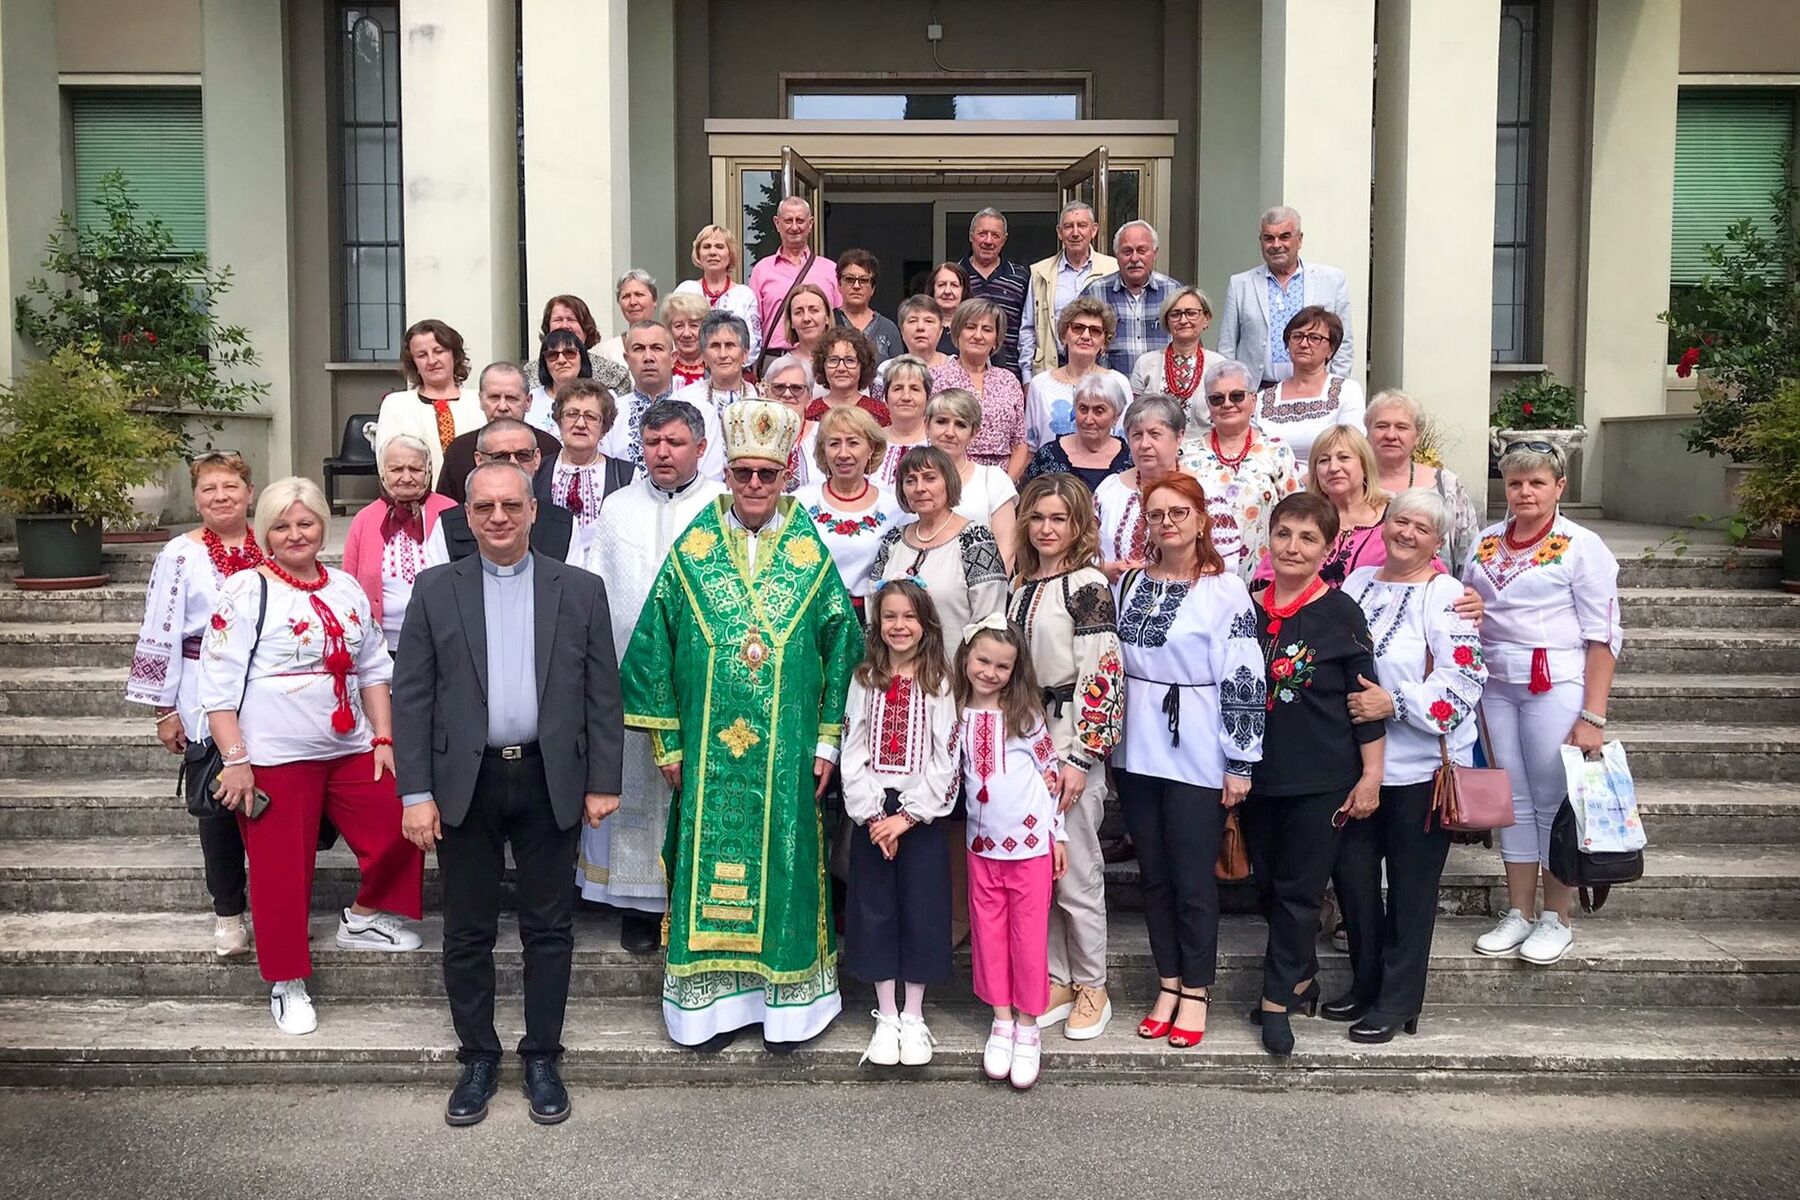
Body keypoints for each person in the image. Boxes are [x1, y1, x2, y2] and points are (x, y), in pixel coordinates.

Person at [620, 399, 862, 1050]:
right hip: (705, 747)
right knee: (708, 862)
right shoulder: (693, 548)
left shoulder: (808, 550)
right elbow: (651, 647)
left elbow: (843, 645)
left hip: (787, 752)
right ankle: (710, 1012)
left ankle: (787, 1011)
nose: (755, 485)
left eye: (768, 474)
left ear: (786, 474)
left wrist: (828, 737)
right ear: (726, 473)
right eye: (744, 473)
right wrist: (666, 739)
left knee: (784, 862)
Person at [394, 460, 624, 1127]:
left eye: (511, 506)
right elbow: (411, 698)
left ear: (533, 511)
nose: (498, 518)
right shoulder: (435, 589)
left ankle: (543, 1056)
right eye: (485, 507)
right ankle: (478, 1058)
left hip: (550, 776)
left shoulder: (579, 589)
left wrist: (604, 780)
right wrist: (416, 793)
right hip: (465, 781)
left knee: (549, 928)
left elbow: (601, 694)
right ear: (466, 516)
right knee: (467, 929)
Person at [199, 476, 424, 1036]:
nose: (295, 534)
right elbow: (218, 686)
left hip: (349, 744)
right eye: (281, 525)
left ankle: (365, 917)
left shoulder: (345, 587)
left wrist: (384, 738)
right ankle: (286, 979)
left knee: (401, 820)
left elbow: (374, 668)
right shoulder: (246, 589)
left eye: (305, 523)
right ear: (265, 532)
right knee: (281, 870)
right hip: (274, 753)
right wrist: (236, 759)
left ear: (323, 524)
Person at [1112, 473, 1265, 1050]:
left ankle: (1196, 990)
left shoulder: (1223, 590)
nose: (1167, 523)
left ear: (1201, 519)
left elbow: (1245, 676)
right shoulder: (1129, 584)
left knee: (1192, 877)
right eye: (1156, 514)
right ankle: (1167, 983)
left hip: (1198, 746)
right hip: (1137, 747)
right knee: (1153, 875)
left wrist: (1241, 760)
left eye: (1179, 512)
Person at [576, 400, 725, 951]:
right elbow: (600, 584)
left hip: (704, 679)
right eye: (654, 441)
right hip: (626, 673)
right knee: (635, 784)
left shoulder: (722, 507)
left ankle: (692, 895)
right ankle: (638, 903)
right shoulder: (617, 507)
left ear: (701, 449)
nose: (663, 452)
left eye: (676, 442)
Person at [1339, 490, 1488, 1042]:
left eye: (1421, 528)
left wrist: (1394, 702)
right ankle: (1365, 983)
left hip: (1420, 770)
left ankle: (1399, 1001)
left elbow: (1465, 684)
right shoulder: (1357, 584)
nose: (1406, 533)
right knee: (1354, 882)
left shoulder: (1449, 597)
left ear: (1438, 540)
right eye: (1399, 520)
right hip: (1356, 767)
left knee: (1410, 888)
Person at [1243, 491, 1384, 1058]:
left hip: (1322, 775)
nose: (1293, 547)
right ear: (1269, 539)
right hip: (1256, 774)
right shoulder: (1248, 606)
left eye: (1308, 538)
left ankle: (1277, 1003)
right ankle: (1300, 979)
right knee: (1266, 886)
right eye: (1284, 534)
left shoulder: (1340, 611)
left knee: (1300, 892)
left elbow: (1365, 700)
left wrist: (1370, 774)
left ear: (1328, 548)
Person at [1468, 441, 1620, 966]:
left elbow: (1603, 637)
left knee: (1555, 798)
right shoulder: (1486, 542)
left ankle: (1558, 916)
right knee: (1509, 797)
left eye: (1536, 482)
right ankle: (1519, 910)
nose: (1525, 492)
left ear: (1560, 487)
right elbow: (1467, 604)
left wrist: (1592, 716)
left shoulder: (1582, 545)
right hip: (1495, 683)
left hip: (1554, 682)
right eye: (1515, 483)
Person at [127, 450, 262, 956]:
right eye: (210, 489)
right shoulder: (179, 555)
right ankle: (228, 910)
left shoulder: (268, 541)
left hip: (264, 685)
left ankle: (276, 905)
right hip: (202, 687)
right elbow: (158, 629)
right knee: (219, 806)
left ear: (249, 492)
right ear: (197, 499)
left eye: (230, 486)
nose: (221, 496)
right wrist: (164, 709)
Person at [1008, 475, 1124, 1042]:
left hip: (1069, 735)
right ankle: (1056, 976)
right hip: (1024, 740)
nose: (1047, 529)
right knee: (1039, 869)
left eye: (1059, 519)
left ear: (1078, 525)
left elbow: (1103, 671)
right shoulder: (1020, 580)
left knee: (1077, 871)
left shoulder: (1086, 584)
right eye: (1038, 518)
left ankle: (1093, 985)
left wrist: (1082, 756)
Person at [839, 580, 958, 1066]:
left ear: (925, 623)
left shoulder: (939, 682)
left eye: (909, 617)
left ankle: (914, 1016)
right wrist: (873, 815)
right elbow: (853, 749)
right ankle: (885, 1015)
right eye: (889, 617)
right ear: (877, 624)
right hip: (874, 815)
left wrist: (907, 817)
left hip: (919, 817)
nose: (899, 626)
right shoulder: (865, 678)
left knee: (922, 912)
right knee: (875, 912)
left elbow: (946, 756)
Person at [956, 615, 1066, 1091]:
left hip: (1029, 847)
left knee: (1027, 934)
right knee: (988, 933)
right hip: (981, 847)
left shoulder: (1024, 715)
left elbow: (1050, 776)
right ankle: (1000, 1020)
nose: (990, 672)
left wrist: (1057, 834)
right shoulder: (954, 713)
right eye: (983, 660)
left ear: (1014, 669)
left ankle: (1028, 1023)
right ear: (966, 659)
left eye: (1002, 665)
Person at [870, 446, 1008, 654]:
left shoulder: (975, 540)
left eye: (929, 478)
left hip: (955, 676)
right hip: (898, 675)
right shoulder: (893, 541)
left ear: (949, 482)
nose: (919, 488)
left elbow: (989, 622)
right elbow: (874, 610)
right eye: (910, 480)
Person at [1179, 359, 1301, 579]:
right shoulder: (1187, 454)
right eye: (1217, 399)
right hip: (1204, 573)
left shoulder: (1276, 450)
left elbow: (1295, 514)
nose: (1227, 404)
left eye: (1237, 396)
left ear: (1253, 400)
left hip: (1266, 576)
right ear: (1208, 406)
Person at [1217, 205, 1355, 387]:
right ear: (1261, 241)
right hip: (1256, 391)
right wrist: (1233, 388)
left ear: (1299, 240)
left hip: (1315, 389)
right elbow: (1227, 346)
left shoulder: (1331, 280)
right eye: (1268, 238)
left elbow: (1343, 343)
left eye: (1284, 237)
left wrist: (1334, 388)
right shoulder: (1241, 284)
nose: (1276, 245)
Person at [342, 435, 455, 653]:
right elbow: (348, 586)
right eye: (396, 469)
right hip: (381, 647)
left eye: (415, 469)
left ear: (428, 471)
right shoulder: (364, 519)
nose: (406, 477)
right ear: (383, 472)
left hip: (443, 643)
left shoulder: (450, 511)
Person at [795, 405, 904, 618]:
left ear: (871, 448)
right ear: (823, 450)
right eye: (834, 443)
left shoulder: (894, 509)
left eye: (853, 443)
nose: (843, 453)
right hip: (811, 616)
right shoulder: (800, 502)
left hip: (869, 620)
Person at [1251, 427, 1393, 588]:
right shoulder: (1298, 518)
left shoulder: (1395, 520)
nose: (1333, 468)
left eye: (1344, 458)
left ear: (1365, 465)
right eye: (1324, 460)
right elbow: (1266, 579)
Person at [424, 420, 577, 566]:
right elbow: (437, 587)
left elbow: (573, 588)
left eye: (523, 455)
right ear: (479, 460)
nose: (513, 463)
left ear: (536, 458)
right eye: (500, 457)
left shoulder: (565, 525)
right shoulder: (447, 525)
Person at [1366, 388, 1483, 576]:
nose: (1391, 435)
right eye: (1381, 426)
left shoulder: (1446, 485)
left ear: (1417, 437)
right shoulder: (1352, 486)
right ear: (1368, 433)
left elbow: (1468, 551)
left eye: (1402, 427)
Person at [600, 320, 726, 480]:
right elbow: (607, 476)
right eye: (638, 349)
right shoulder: (611, 412)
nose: (648, 357)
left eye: (657, 348)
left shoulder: (703, 412)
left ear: (673, 357)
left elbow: (710, 479)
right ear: (627, 359)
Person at [1254, 306, 1367, 472]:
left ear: (1330, 349)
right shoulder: (1263, 399)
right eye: (1297, 336)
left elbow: (1350, 449)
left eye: (1314, 338)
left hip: (1328, 486)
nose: (1304, 344)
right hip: (1274, 487)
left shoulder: (1347, 392)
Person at [1096, 393, 1194, 581]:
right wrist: (1103, 569)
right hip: (1112, 602)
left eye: (1155, 434)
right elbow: (1080, 550)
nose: (1144, 444)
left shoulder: (1202, 492)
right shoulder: (1109, 489)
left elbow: (1221, 561)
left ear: (1179, 436)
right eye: (1137, 435)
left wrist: (1152, 572)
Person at [374, 318, 483, 485]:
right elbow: (387, 462)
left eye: (439, 351)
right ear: (414, 363)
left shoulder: (480, 401)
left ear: (454, 355)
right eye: (422, 355)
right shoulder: (396, 405)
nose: (432, 361)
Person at [1021, 200, 1118, 383]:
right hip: (1052, 368)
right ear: (1059, 232)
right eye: (1068, 226)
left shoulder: (1112, 269)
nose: (1075, 233)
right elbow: (1028, 330)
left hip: (1100, 369)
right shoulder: (1041, 272)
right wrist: (1028, 378)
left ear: (1094, 230)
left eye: (1082, 225)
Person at [929, 298, 1029, 478]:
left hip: (1001, 480)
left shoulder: (1009, 381)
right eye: (970, 327)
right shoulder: (935, 378)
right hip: (948, 477)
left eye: (987, 329)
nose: (978, 335)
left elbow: (1019, 443)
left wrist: (1005, 487)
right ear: (957, 333)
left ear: (996, 340)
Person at [437, 363, 562, 504]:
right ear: (481, 400)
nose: (502, 407)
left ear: (528, 402)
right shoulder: (459, 450)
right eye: (494, 397)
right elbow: (446, 508)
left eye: (511, 398)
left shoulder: (550, 447)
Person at [926, 388, 1019, 569]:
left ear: (974, 433)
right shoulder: (911, 479)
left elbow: (1006, 552)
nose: (950, 432)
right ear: (927, 425)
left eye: (960, 424)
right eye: (942, 421)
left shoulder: (993, 480)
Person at [545, 378, 635, 565]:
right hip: (549, 580)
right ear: (559, 422)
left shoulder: (626, 476)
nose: (580, 424)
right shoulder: (537, 471)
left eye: (591, 417)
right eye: (571, 414)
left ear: (604, 428)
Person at [1024, 298, 1131, 453]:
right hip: (1052, 475)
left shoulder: (1118, 383)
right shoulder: (1040, 384)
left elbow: (1125, 442)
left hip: (1106, 473)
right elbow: (1031, 447)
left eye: (1095, 331)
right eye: (1078, 328)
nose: (1086, 336)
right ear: (1063, 335)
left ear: (1104, 342)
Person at [1079, 221, 1182, 375]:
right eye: (1127, 252)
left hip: (1160, 395)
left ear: (1154, 253)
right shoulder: (1095, 293)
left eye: (1141, 250)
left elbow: (1190, 345)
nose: (1134, 258)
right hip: (1110, 393)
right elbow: (1077, 347)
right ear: (1117, 255)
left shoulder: (1174, 292)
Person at [747, 195, 841, 362]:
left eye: (800, 220)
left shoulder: (830, 269)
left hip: (822, 359)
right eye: (788, 220)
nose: (794, 227)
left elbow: (840, 320)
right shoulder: (762, 270)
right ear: (777, 223)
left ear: (810, 223)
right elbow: (753, 325)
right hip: (774, 358)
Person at [672, 224, 763, 364]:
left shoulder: (744, 295)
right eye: (706, 247)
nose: (712, 252)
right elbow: (672, 334)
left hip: (732, 371)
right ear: (698, 254)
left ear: (730, 253)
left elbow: (752, 343)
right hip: (689, 371)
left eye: (719, 247)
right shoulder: (685, 290)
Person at [1025, 374, 1133, 491]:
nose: (1088, 420)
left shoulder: (1130, 460)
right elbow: (1029, 502)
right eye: (1083, 409)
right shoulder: (1047, 456)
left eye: (1099, 411)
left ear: (1116, 416)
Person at [959, 208, 1029, 375]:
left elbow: (1028, 330)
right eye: (982, 233)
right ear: (971, 236)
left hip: (1010, 375)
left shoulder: (1020, 277)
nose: (988, 241)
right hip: (962, 375)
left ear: (1004, 240)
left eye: (995, 235)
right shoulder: (955, 277)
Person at [1130, 287, 1221, 411]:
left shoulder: (1219, 365)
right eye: (1175, 314)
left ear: (1206, 319)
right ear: (1166, 322)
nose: (1183, 320)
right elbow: (1134, 414)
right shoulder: (1145, 363)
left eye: (1191, 313)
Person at [524, 294, 632, 396]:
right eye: (558, 320)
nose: (565, 326)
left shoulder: (615, 375)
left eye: (571, 319)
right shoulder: (529, 373)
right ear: (548, 329)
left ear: (585, 329)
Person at [674, 310, 759, 416]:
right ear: (704, 356)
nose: (723, 355)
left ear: (745, 354)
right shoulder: (684, 401)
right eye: (715, 346)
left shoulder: (760, 400)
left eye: (729, 345)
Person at [761, 354, 822, 493]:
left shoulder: (823, 436)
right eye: (779, 387)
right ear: (765, 393)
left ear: (810, 397)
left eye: (796, 388)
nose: (787, 394)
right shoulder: (754, 435)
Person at [807, 325, 890, 426]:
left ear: (862, 366)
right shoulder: (811, 414)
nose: (841, 368)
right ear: (822, 365)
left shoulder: (879, 414)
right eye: (833, 360)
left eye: (850, 360)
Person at [832, 248, 902, 363]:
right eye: (849, 279)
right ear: (839, 285)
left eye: (864, 280)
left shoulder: (889, 329)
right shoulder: (828, 322)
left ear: (873, 288)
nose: (856, 286)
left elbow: (898, 374)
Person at [875, 354, 933, 485]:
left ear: (928, 398)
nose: (906, 396)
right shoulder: (871, 442)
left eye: (915, 389)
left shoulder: (939, 442)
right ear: (885, 398)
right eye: (898, 388)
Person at [527, 327, 591, 441]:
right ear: (544, 363)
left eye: (570, 353)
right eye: (552, 355)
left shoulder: (601, 398)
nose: (561, 360)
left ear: (582, 358)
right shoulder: (531, 401)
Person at [596, 269, 660, 365]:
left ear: (654, 300)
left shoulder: (671, 345)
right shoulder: (607, 351)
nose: (633, 302)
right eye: (626, 296)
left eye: (639, 295)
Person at [883, 294, 949, 378]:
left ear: (940, 330)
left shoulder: (956, 368)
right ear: (902, 330)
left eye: (928, 321)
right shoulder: (886, 370)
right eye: (913, 321)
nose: (920, 327)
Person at [661, 291, 712, 390]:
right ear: (669, 329)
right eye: (679, 326)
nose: (687, 334)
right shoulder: (661, 367)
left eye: (694, 325)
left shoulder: (715, 366)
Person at [783, 283, 834, 371]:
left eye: (814, 310)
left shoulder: (843, 364)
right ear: (791, 322)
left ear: (827, 318)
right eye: (798, 312)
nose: (806, 318)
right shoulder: (781, 367)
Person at [928, 262, 970, 355]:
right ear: (933, 289)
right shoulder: (921, 326)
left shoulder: (976, 327)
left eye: (954, 285)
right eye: (941, 284)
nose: (947, 291)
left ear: (963, 291)